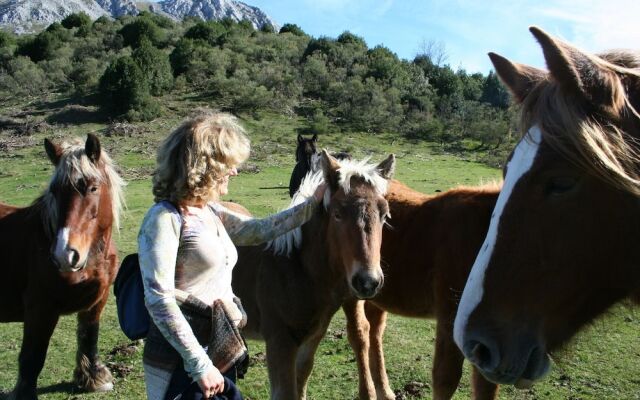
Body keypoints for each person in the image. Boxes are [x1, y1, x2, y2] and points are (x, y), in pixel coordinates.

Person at [138, 112, 326, 399]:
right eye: (228, 165)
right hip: (183, 363)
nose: (234, 172)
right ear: (205, 166)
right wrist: (199, 365)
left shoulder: (208, 211)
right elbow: (158, 299)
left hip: (216, 350)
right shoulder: (165, 218)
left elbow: (258, 230)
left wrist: (312, 203)